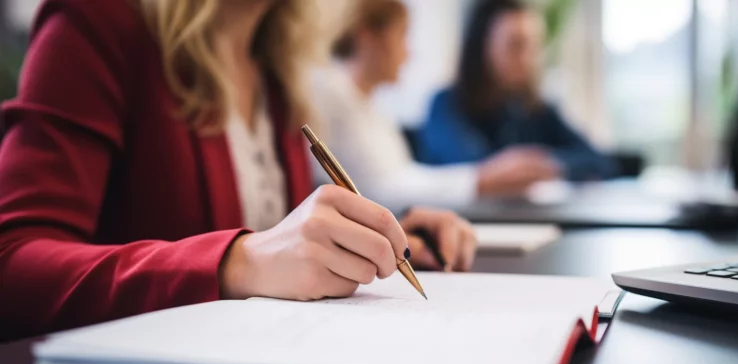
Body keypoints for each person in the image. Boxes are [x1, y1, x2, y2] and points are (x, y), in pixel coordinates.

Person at [0, 0, 477, 342]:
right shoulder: (98, 20)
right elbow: (14, 264)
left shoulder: (277, 67)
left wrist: (381, 237)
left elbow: (281, 243)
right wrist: (237, 262)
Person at [310, 0, 563, 210]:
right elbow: (378, 191)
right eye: (402, 35)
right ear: (368, 37)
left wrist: (481, 178)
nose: (408, 53)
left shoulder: (368, 105)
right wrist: (480, 180)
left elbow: (402, 176)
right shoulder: (331, 95)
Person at [420, 0, 618, 184]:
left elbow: (599, 161)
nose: (527, 58)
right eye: (515, 45)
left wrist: (551, 164)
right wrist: (518, 167)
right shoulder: (446, 105)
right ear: (482, 47)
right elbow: (471, 168)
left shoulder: (534, 109)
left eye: (533, 46)